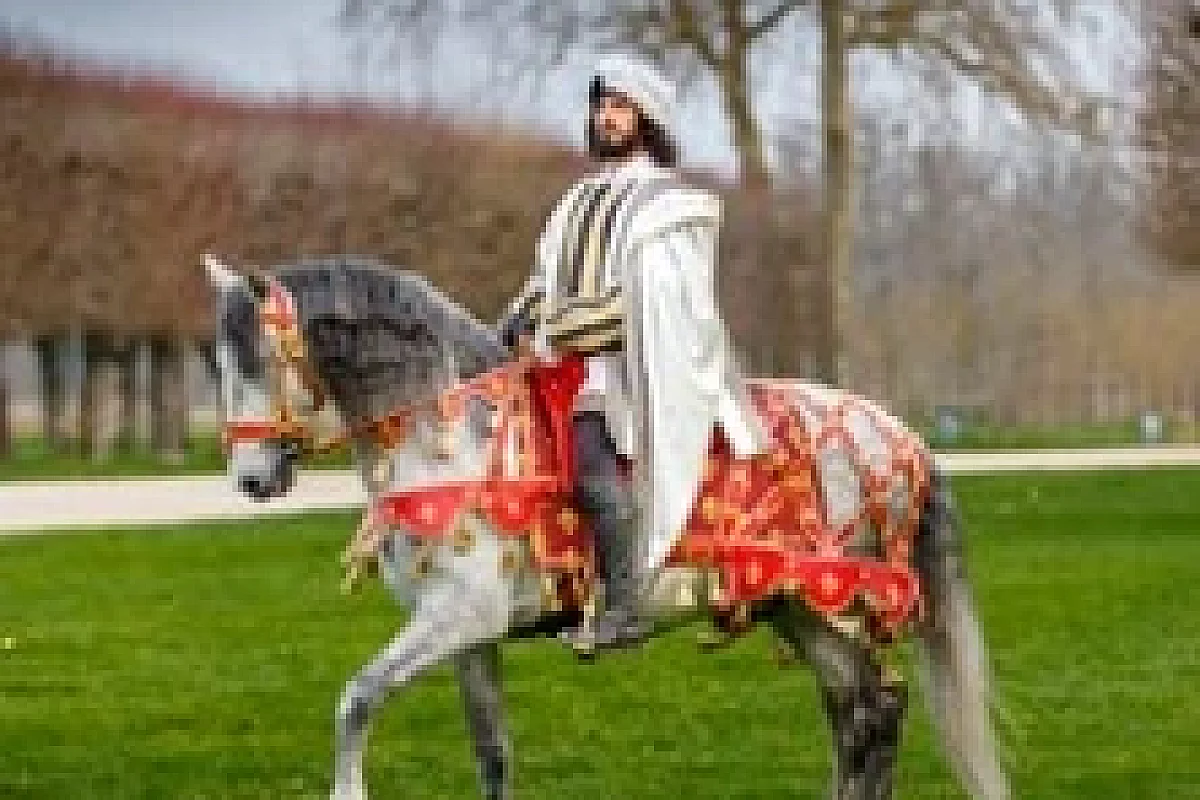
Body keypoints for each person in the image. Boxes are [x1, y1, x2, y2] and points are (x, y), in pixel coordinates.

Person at [498, 54, 767, 653]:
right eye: (601, 106)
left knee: (592, 464)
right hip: (562, 361)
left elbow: (654, 307)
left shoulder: (669, 207)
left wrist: (558, 329)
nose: (606, 117)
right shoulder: (574, 201)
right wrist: (521, 315)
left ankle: (625, 608)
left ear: (648, 118)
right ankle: (562, 587)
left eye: (620, 106)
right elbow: (546, 278)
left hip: (630, 369)